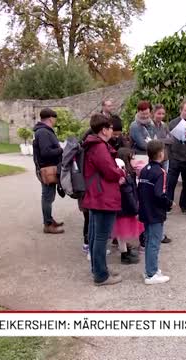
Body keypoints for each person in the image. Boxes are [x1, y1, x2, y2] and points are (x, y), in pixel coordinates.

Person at [82, 113, 125, 286]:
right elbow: (109, 171)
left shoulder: (94, 144)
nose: (112, 131)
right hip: (102, 196)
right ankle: (101, 275)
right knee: (100, 237)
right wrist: (121, 172)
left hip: (96, 195)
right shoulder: (99, 147)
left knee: (94, 235)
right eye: (110, 128)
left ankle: (99, 269)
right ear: (103, 130)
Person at [138, 140, 173, 285]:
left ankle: (150, 269)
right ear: (160, 154)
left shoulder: (145, 169)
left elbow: (140, 189)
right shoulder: (160, 172)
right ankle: (151, 274)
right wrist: (169, 204)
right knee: (154, 243)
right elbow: (160, 194)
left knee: (149, 241)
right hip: (155, 213)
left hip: (145, 210)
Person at [33, 107, 65, 234]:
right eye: (54, 119)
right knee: (47, 197)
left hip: (48, 168)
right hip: (47, 169)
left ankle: (49, 219)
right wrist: (61, 148)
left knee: (49, 196)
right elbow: (46, 152)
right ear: (51, 118)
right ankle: (47, 224)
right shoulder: (43, 132)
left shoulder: (43, 131)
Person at [112, 148, 142, 265]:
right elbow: (128, 193)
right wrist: (135, 208)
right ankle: (124, 255)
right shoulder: (125, 177)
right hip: (125, 208)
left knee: (121, 233)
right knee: (122, 233)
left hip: (122, 207)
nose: (133, 160)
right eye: (131, 158)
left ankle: (125, 251)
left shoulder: (126, 175)